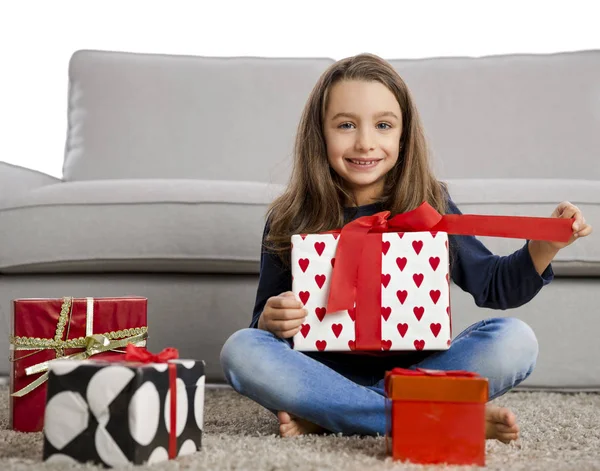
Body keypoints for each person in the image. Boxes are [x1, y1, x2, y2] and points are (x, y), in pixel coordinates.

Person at [219, 53, 592, 444]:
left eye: (383, 125)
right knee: (241, 349)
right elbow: (260, 325)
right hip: (321, 377)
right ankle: (432, 416)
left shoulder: (427, 205)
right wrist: (269, 321)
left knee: (516, 340)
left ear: (403, 135)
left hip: (419, 375)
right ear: (320, 133)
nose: (365, 142)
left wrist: (544, 247)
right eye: (346, 125)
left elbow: (493, 285)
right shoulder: (291, 216)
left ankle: (337, 415)